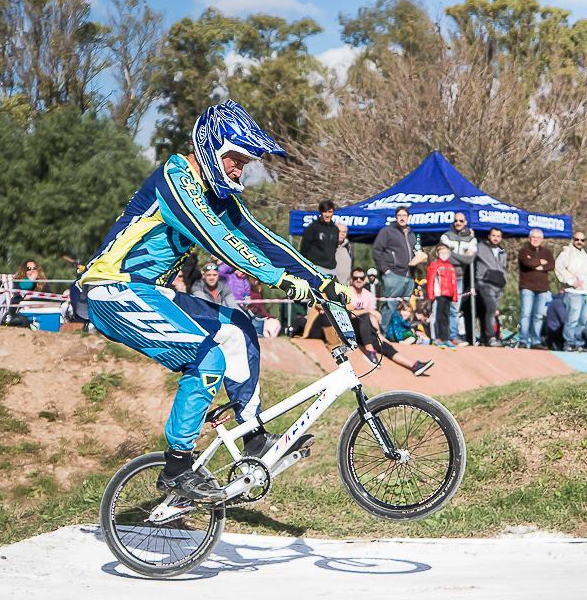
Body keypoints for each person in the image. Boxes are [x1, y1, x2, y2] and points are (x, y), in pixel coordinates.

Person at [79, 100, 340, 501]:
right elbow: (218, 239)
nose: (240, 169)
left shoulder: (217, 194)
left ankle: (253, 438)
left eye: (245, 162)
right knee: (207, 360)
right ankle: (177, 468)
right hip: (112, 289)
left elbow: (261, 239)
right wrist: (279, 281)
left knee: (237, 329)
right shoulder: (175, 179)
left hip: (149, 290)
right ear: (209, 147)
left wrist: (322, 281)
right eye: (235, 159)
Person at [373, 206, 426, 326]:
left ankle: (399, 335)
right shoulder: (387, 231)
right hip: (394, 275)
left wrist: (421, 256)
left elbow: (416, 252)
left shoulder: (412, 234)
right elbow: (377, 251)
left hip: (410, 276)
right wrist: (386, 270)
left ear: (408, 217)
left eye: (404, 216)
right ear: (396, 217)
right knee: (390, 306)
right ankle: (383, 334)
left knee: (405, 308)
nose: (402, 218)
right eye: (399, 216)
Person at [440, 212, 477, 345]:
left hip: (460, 277)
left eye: (461, 221)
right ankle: (441, 336)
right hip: (445, 275)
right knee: (442, 306)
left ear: (465, 222)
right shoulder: (446, 236)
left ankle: (454, 336)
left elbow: (469, 259)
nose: (458, 223)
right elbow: (444, 256)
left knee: (455, 308)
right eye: (456, 221)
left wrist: (453, 254)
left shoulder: (471, 239)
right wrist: (461, 256)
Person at [516, 227, 554, 349]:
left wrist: (538, 264)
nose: (535, 239)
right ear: (529, 238)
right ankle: (523, 339)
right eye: (533, 237)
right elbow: (527, 263)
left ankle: (535, 341)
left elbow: (551, 264)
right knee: (526, 314)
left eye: (538, 237)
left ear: (542, 239)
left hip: (542, 288)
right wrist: (540, 262)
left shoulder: (547, 252)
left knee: (538, 315)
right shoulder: (524, 251)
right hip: (527, 287)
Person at [554, 232, 587, 351]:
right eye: (577, 239)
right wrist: (570, 281)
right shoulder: (567, 252)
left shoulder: (584, 255)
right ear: (573, 239)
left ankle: (578, 343)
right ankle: (568, 342)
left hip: (585, 292)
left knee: (583, 320)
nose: (579, 242)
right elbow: (559, 267)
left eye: (582, 240)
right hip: (573, 292)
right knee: (572, 319)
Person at [474, 228, 507, 347]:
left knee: (493, 311)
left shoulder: (502, 251)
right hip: (485, 283)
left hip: (499, 285)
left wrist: (504, 280)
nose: (496, 238)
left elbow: (503, 267)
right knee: (491, 309)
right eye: (493, 235)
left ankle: (492, 336)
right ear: (489, 236)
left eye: (498, 236)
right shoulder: (480, 247)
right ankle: (491, 336)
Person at [426, 244, 459, 347]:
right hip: (438, 295)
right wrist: (431, 294)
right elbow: (430, 280)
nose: (444, 254)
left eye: (446, 252)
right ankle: (436, 337)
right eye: (441, 252)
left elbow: (454, 282)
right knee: (437, 316)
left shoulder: (451, 267)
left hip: (448, 295)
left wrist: (455, 296)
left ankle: (445, 338)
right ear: (437, 253)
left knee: (446, 317)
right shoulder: (434, 265)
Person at [299, 199, 340, 277]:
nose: (327, 215)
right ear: (321, 212)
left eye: (330, 212)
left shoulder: (335, 229)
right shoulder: (312, 228)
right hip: (316, 267)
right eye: (325, 212)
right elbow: (304, 249)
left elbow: (334, 248)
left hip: (332, 268)